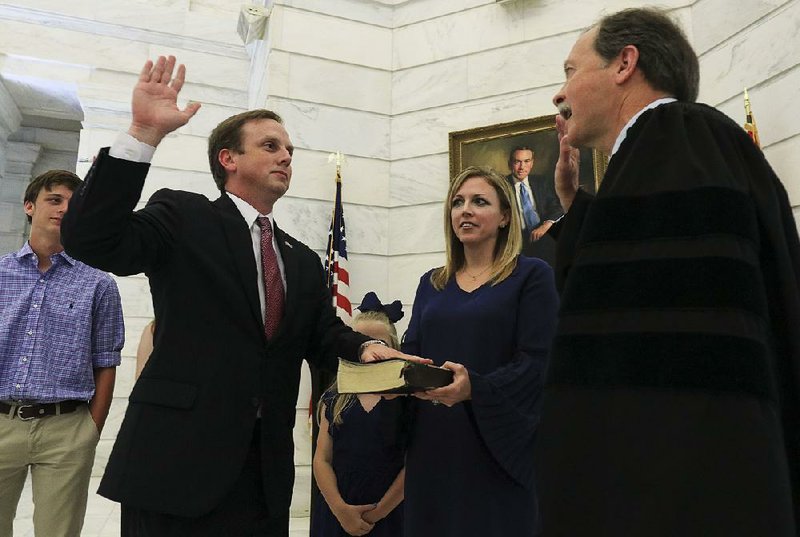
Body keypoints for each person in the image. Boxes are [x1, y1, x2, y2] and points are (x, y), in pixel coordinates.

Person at [60, 55, 408, 536]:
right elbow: (91, 239)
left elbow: (322, 334)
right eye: (270, 146)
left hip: (262, 474)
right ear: (229, 159)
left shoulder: (303, 260)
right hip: (175, 463)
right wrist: (143, 133)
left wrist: (365, 346)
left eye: (289, 148)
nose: (286, 156)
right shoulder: (183, 217)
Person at [535, 7, 800, 536]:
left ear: (624, 63)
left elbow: (669, 340)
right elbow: (640, 295)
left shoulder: (678, 135)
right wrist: (579, 211)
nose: (559, 94)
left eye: (570, 71)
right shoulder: (670, 150)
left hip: (680, 483)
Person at [400, 166, 558, 535]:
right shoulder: (432, 282)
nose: (465, 210)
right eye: (457, 202)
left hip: (499, 446)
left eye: (479, 201)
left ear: (505, 217)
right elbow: (413, 350)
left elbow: (539, 362)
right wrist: (393, 372)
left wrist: (475, 387)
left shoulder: (532, 276)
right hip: (433, 446)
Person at [0, 170, 124, 537]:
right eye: (55, 200)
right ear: (29, 206)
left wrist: (91, 429)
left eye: (73, 203)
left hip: (67, 429)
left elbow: (106, 362)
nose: (64, 209)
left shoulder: (99, 283)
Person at [311, 292, 407, 537]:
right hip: (338, 511)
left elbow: (413, 465)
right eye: (362, 343)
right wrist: (340, 509)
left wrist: (377, 513)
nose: (371, 355)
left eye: (380, 345)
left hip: (389, 513)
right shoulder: (334, 399)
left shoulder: (408, 401)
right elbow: (322, 460)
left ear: (394, 349)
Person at [506, 146, 563, 265]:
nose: (522, 167)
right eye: (517, 162)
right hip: (516, 240)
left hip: (543, 235)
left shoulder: (541, 182)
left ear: (532, 163)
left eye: (526, 161)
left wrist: (546, 225)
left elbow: (556, 207)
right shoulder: (502, 186)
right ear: (510, 163)